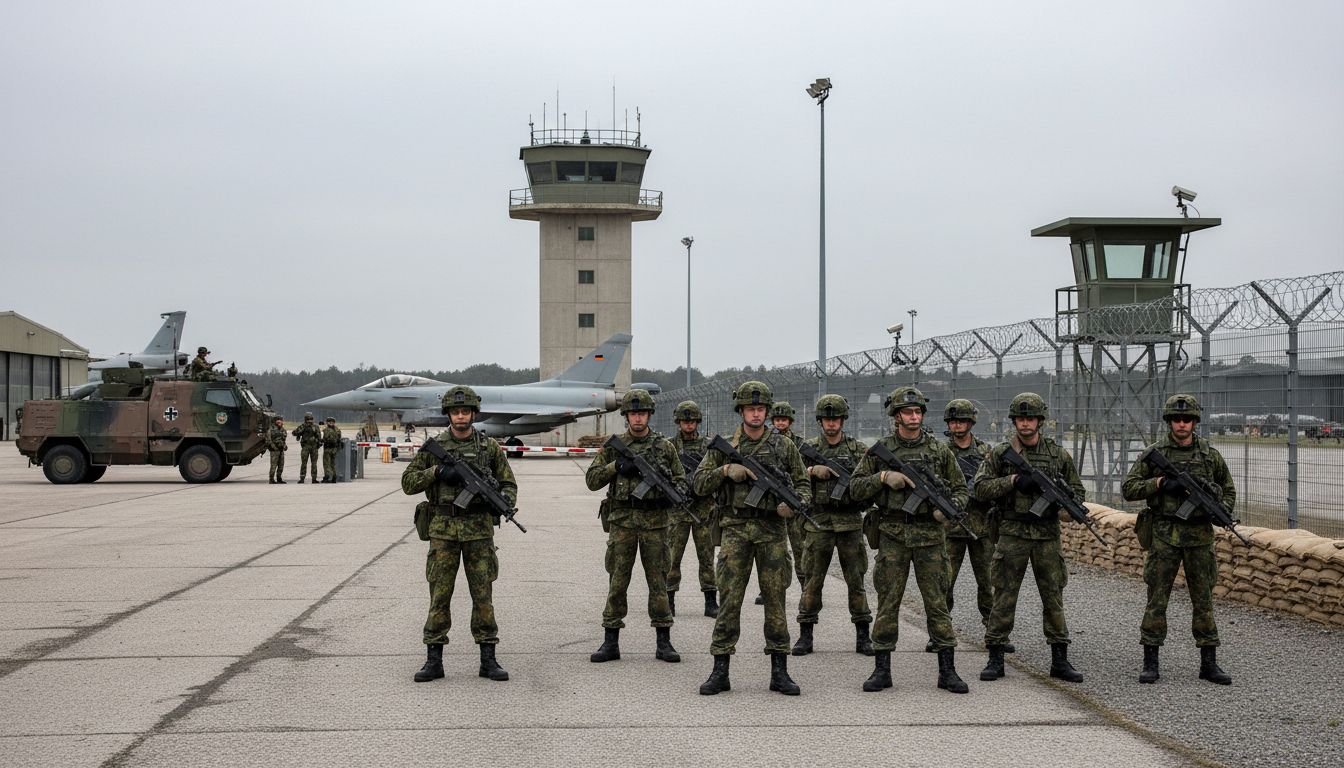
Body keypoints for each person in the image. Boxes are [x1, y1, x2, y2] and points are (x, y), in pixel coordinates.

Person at [692, 380, 810, 696]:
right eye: (750, 408)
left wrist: (794, 505)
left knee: (775, 601)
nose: (756, 414)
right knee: (729, 600)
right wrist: (724, 472)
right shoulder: (725, 447)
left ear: (767, 412)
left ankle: (779, 671)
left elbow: (803, 484)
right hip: (735, 530)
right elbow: (699, 483)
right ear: (741, 411)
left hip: (772, 532)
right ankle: (720, 670)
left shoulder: (784, 446)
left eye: (760, 409)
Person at [849, 386, 969, 694]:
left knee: (938, 604)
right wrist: (882, 478)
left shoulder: (939, 451)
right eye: (908, 412)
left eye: (917, 412)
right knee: (888, 603)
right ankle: (882, 669)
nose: (914, 417)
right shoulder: (881, 450)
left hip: (931, 537)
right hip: (893, 536)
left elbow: (961, 489)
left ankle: (947, 670)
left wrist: (949, 510)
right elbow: (855, 488)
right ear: (896, 416)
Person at [401, 385, 516, 683]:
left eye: (466, 411)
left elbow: (508, 484)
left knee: (483, 596)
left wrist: (501, 501)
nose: (461, 416)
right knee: (439, 595)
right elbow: (408, 483)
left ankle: (488, 660)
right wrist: (437, 473)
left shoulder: (489, 447)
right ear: (448, 414)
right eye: (456, 411)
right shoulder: (435, 447)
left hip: (479, 532)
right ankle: (434, 660)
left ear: (473, 414)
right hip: (443, 532)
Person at [1121, 394, 1235, 685]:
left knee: (1203, 600)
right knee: (1157, 599)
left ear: (1195, 422)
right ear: (1169, 422)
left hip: (1199, 537)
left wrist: (1219, 509)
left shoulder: (1210, 455)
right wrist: (1160, 483)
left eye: (1187, 420)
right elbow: (1129, 488)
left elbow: (1228, 490)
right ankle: (1150, 661)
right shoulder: (1155, 453)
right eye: (1176, 419)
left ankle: (1209, 663)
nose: (1181, 424)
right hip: (1164, 535)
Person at [973, 392, 1086, 684]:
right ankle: (996, 657)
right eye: (1021, 419)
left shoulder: (1058, 455)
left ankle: (1059, 659)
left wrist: (1061, 501)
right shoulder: (1001, 453)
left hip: (1047, 535)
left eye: (1031, 418)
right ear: (1014, 421)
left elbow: (1078, 493)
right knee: (1004, 596)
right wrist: (1013, 481)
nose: (1025, 423)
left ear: (1040, 421)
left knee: (1053, 596)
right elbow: (980, 488)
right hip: (1012, 532)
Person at [584, 389, 682, 665]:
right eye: (633, 414)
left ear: (649, 415)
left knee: (658, 583)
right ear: (626, 416)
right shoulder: (614, 446)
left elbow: (681, 481)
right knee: (617, 582)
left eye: (642, 413)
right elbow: (592, 480)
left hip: (655, 524)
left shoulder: (664, 447)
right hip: (622, 523)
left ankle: (664, 641)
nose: (638, 418)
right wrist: (615, 467)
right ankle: (610, 641)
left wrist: (667, 490)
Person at [792, 394, 873, 657]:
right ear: (819, 421)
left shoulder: (858, 450)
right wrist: (811, 472)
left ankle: (863, 635)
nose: (831, 423)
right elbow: (791, 479)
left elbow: (869, 483)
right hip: (819, 523)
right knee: (812, 582)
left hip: (850, 524)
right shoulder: (808, 449)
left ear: (843, 420)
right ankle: (805, 634)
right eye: (826, 419)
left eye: (835, 418)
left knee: (856, 581)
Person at [932, 398, 1004, 653]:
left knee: (989, 583)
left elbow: (995, 485)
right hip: (950, 528)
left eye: (962, 420)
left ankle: (994, 633)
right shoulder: (940, 452)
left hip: (982, 528)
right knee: (944, 582)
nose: (957, 425)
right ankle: (939, 633)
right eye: (953, 421)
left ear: (971, 422)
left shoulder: (986, 452)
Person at [665, 400, 719, 618]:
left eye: (692, 421)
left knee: (706, 558)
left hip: (703, 510)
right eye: (685, 421)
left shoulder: (708, 447)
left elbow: (714, 475)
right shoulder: (669, 446)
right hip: (677, 511)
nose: (689, 424)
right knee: (671, 558)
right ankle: (668, 600)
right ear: (678, 422)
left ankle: (710, 601)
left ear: (698, 421)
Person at [292, 413, 322, 484]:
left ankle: (314, 478)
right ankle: (302, 478)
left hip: (314, 447)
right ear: (305, 420)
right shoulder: (303, 426)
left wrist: (318, 444)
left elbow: (319, 437)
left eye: (311, 419)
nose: (310, 421)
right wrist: (303, 428)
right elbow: (294, 433)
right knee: (304, 463)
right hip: (305, 447)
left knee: (314, 463)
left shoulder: (315, 427)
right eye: (308, 419)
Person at [265, 416, 288, 484]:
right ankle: (271, 479)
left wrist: (285, 446)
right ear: (275, 421)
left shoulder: (283, 430)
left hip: (281, 450)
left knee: (281, 465)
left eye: (281, 420)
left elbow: (283, 440)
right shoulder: (271, 430)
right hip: (274, 450)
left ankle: (279, 478)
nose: (280, 421)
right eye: (278, 420)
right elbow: (268, 440)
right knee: (273, 465)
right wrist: (273, 447)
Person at [321, 417, 342, 483]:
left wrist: (321, 441)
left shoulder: (326, 430)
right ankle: (334, 477)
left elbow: (324, 438)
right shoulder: (337, 429)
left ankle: (327, 477)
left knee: (326, 463)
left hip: (328, 449)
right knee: (332, 464)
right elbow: (339, 439)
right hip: (334, 449)